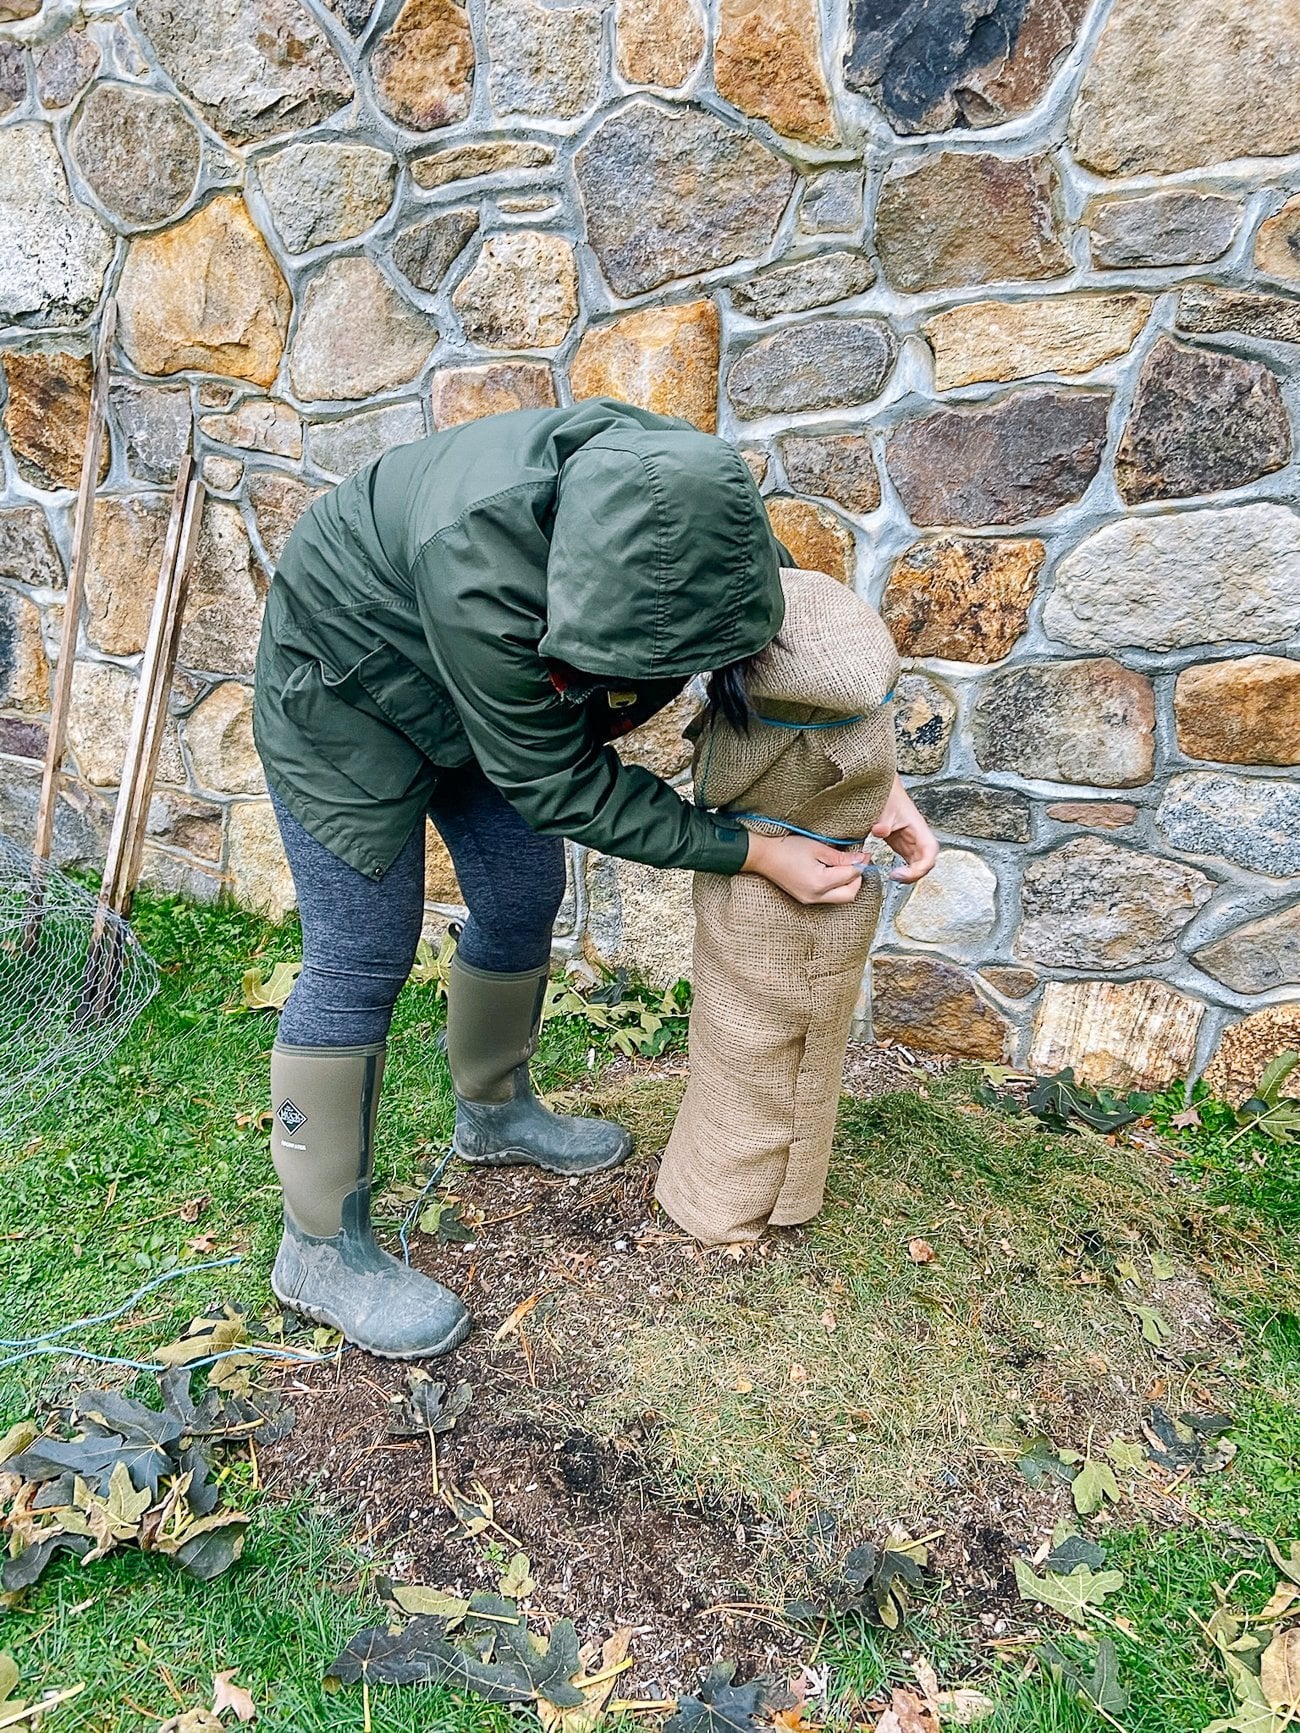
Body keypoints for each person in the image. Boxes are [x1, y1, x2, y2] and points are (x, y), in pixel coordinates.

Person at [252, 397, 937, 1360]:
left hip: (486, 696)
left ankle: (494, 1112)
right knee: (361, 954)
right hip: (349, 692)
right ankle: (318, 1249)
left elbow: (798, 651)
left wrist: (875, 781)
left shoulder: (707, 513)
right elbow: (556, 781)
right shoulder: (480, 569)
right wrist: (752, 848)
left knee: (527, 898)